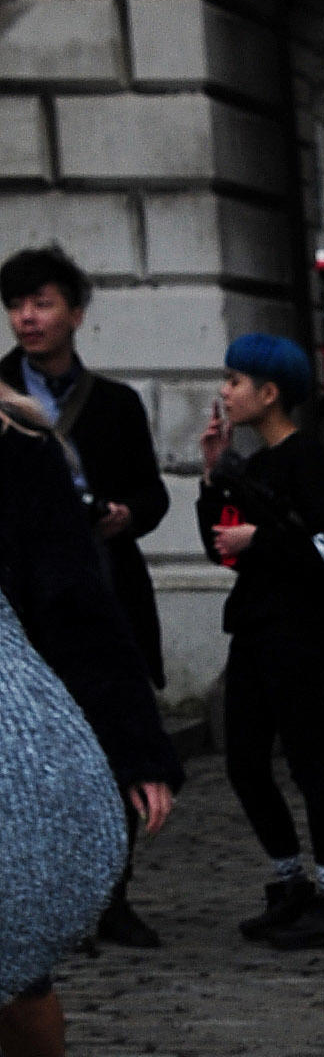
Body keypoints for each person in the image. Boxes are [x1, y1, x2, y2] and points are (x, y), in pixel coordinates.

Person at [0, 380, 180, 1057]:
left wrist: (137, 749)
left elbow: (76, 605)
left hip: (9, 734)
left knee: (17, 982)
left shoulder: (16, 452)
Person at [2, 241, 173, 947]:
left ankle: (112, 893)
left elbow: (152, 490)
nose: (27, 318)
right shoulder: (2, 404)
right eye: (16, 305)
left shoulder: (115, 404)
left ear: (75, 313)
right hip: (29, 600)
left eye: (42, 303)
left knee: (108, 744)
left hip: (102, 583)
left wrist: (128, 514)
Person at [198, 332, 324, 951]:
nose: (225, 391)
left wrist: (260, 542)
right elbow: (218, 544)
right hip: (253, 630)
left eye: (236, 382)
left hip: (298, 635)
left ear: (269, 395)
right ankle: (290, 881)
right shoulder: (258, 464)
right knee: (243, 762)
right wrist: (214, 477)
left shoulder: (310, 461)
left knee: (308, 763)